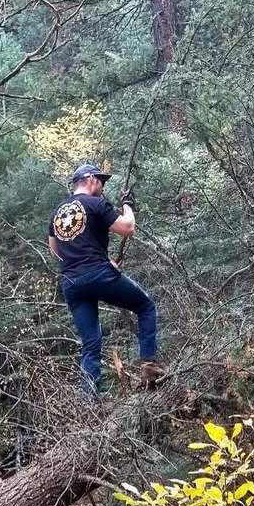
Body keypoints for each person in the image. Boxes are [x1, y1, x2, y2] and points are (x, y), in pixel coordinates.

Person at [47, 163, 162, 395]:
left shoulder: (57, 212)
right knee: (145, 306)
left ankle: (89, 403)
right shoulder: (94, 203)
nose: (102, 185)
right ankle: (149, 366)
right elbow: (128, 228)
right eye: (101, 180)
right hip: (96, 274)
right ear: (90, 179)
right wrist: (128, 205)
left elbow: (54, 250)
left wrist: (86, 261)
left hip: (71, 283)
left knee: (90, 344)